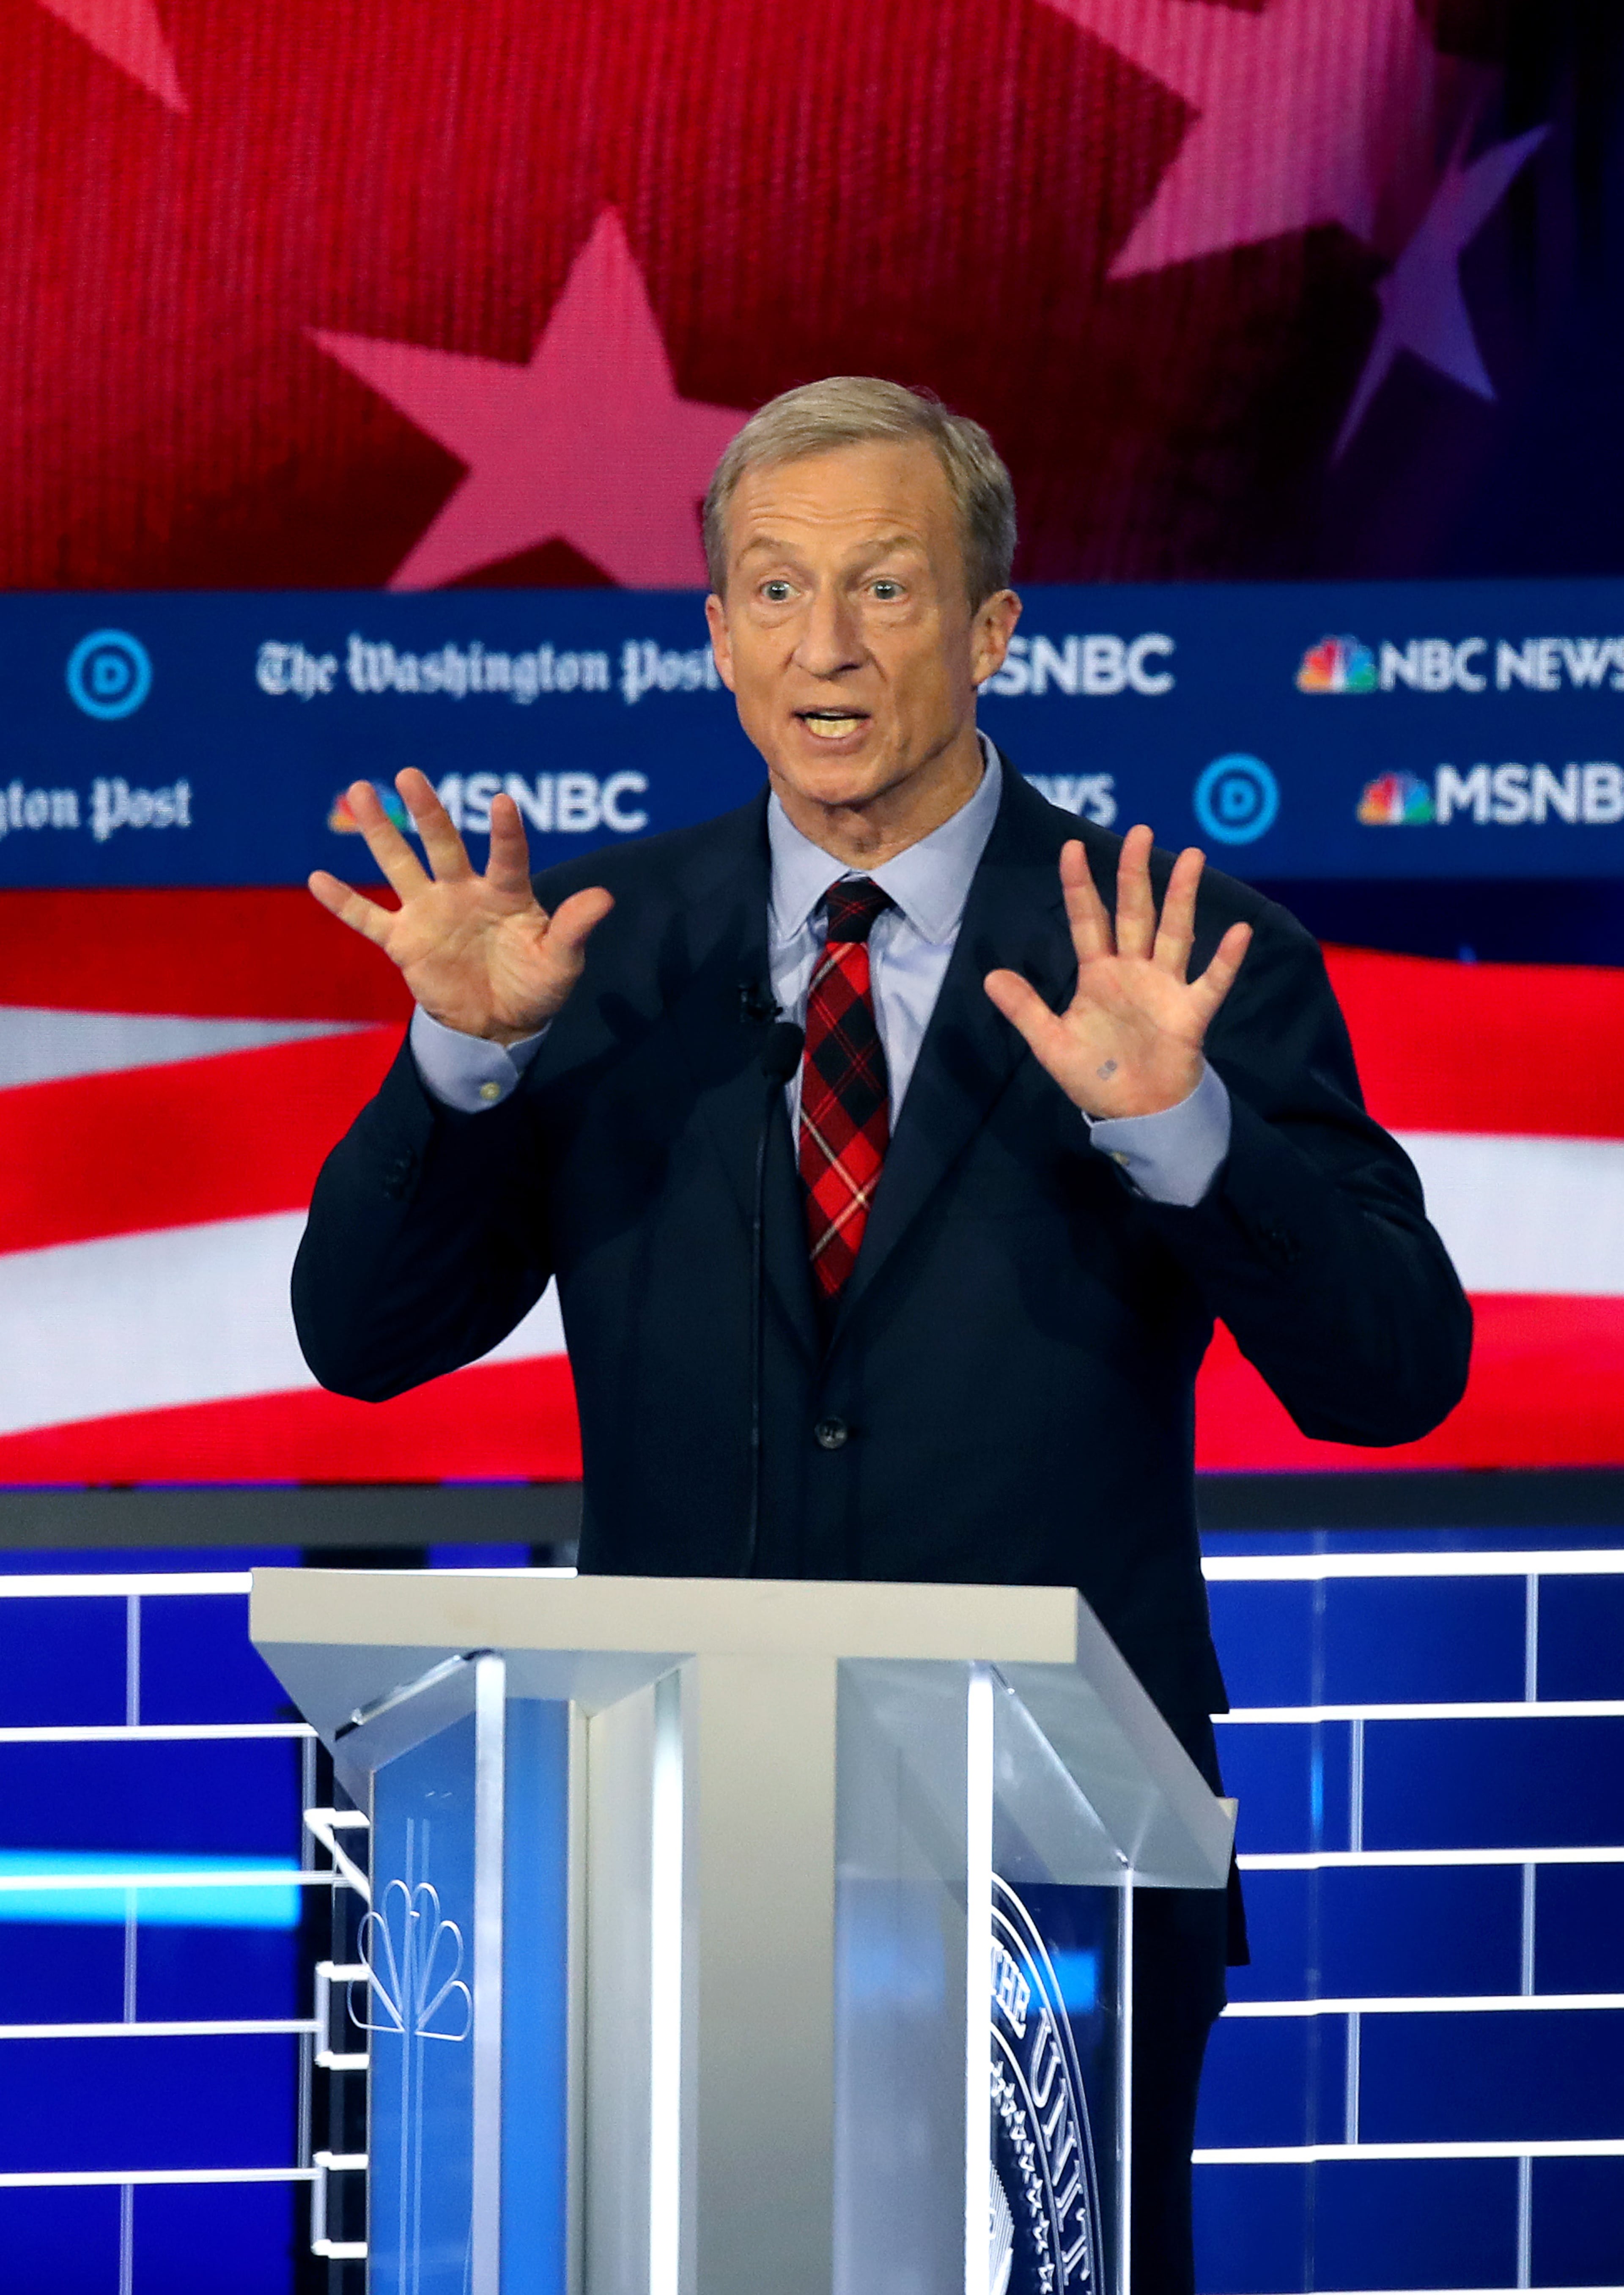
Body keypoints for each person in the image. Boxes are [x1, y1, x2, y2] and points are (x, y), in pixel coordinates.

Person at [293, 377, 1471, 2291]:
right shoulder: (601, 952)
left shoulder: (1168, 955)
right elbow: (361, 1339)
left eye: (886, 589)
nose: (822, 647)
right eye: (771, 591)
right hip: (670, 1848)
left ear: (996, 628)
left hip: (1057, 1879)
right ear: (716, 637)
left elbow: (1395, 1372)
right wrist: (463, 1058)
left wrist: (1180, 1131)